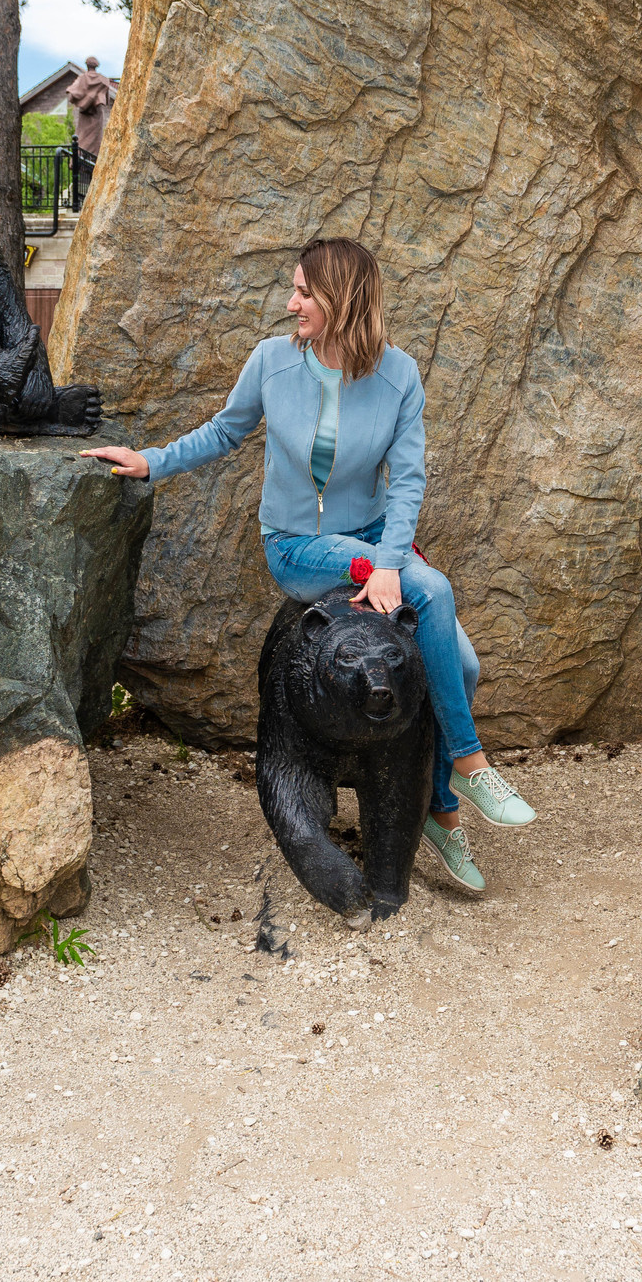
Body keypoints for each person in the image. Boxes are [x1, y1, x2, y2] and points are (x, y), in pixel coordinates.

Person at [78, 237, 534, 896]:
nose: (291, 303)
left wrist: (384, 560)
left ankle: (439, 808)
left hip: (374, 536)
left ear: (341, 301)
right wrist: (152, 458)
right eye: (293, 290)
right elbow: (223, 431)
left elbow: (407, 483)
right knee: (430, 587)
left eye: (303, 293)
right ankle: (468, 766)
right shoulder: (271, 361)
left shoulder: (399, 374)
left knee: (460, 666)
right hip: (298, 547)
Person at [64, 57, 115, 212]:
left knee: (81, 140)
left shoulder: (82, 78)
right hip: (96, 116)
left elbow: (72, 96)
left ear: (87, 65)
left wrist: (84, 99)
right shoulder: (103, 80)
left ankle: (84, 166)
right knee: (92, 142)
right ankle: (89, 167)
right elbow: (105, 98)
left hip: (86, 116)